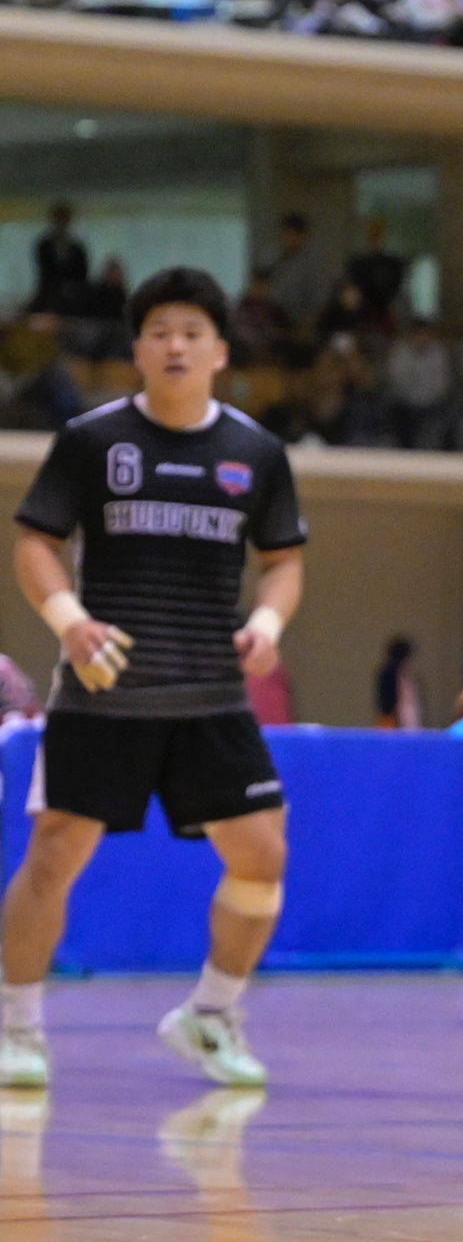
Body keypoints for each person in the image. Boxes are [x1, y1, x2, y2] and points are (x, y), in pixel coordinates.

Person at [1, 269, 308, 1092]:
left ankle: (210, 1016)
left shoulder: (255, 453)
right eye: (160, 332)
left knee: (262, 854)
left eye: (192, 333)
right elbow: (35, 543)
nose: (176, 346)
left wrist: (268, 623)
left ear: (220, 353)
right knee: (55, 852)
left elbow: (283, 562)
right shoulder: (92, 441)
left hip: (211, 693)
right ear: (137, 350)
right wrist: (69, 619)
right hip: (105, 690)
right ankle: (18, 1028)